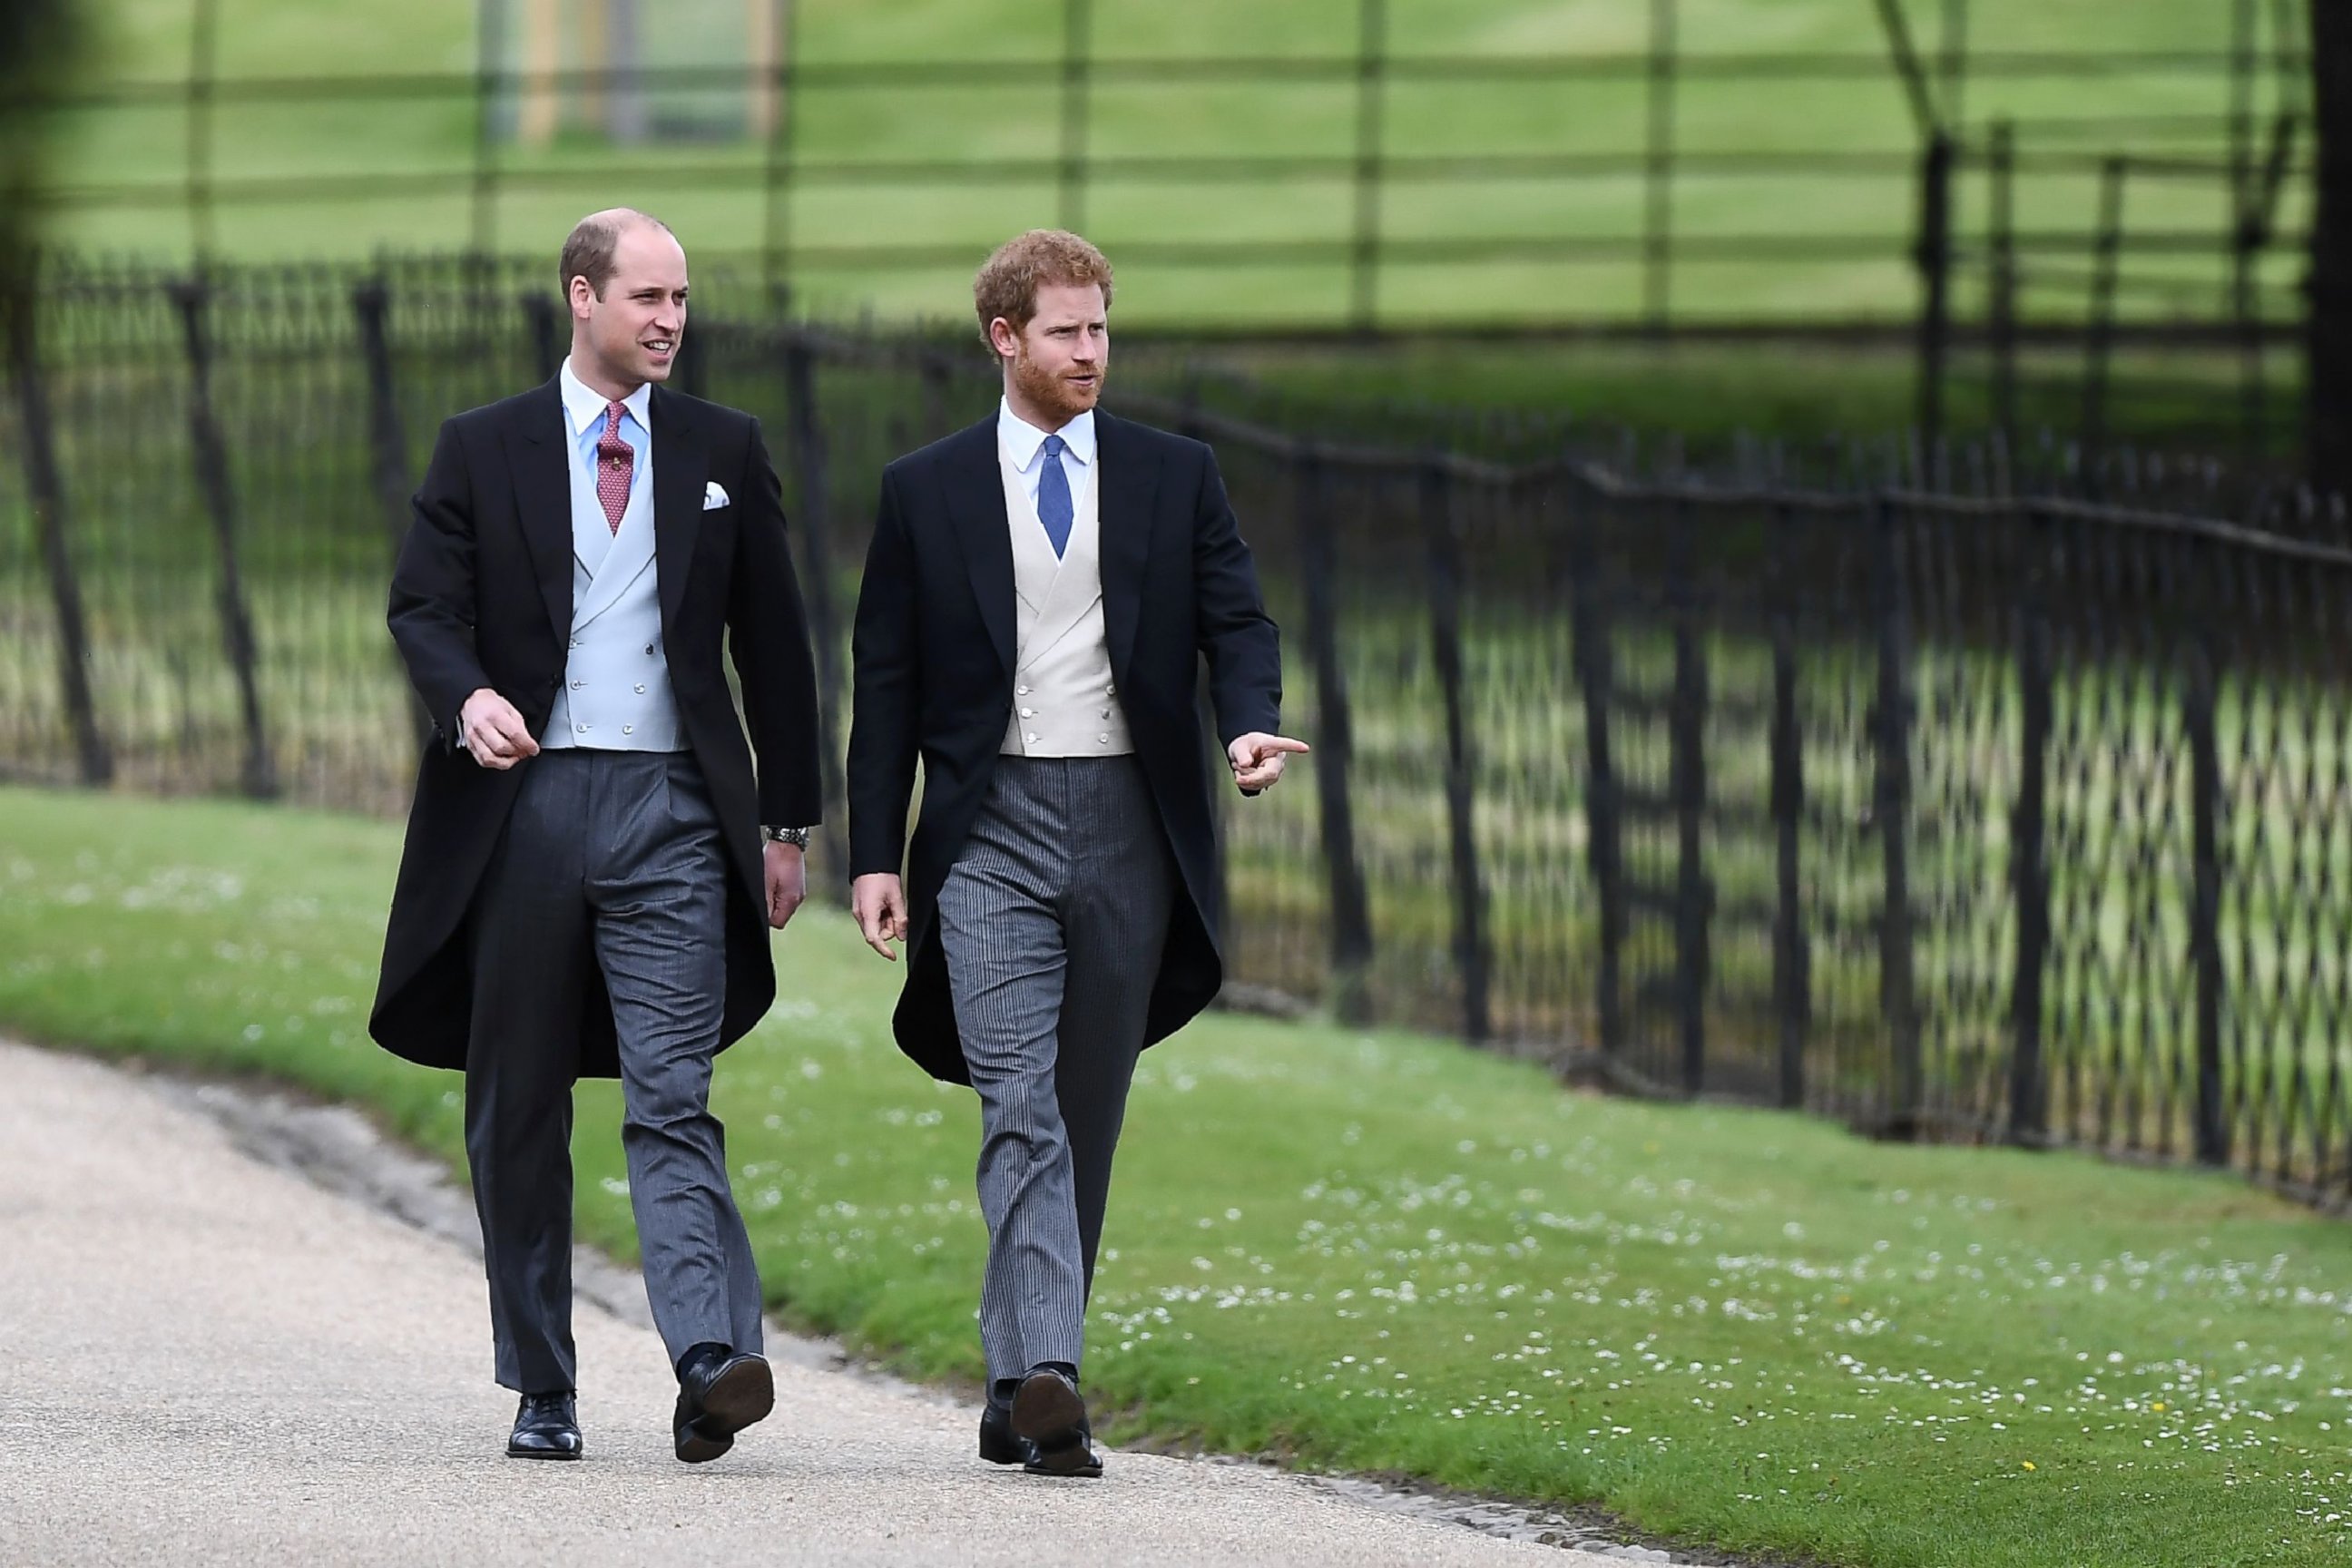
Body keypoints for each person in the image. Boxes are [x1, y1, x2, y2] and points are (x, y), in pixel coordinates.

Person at [846, 229, 1306, 1478]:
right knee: (1022, 1104)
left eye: (1101, 327)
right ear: (1005, 338)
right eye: (1065, 330)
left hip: (1129, 828)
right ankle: (1056, 1375)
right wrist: (873, 852)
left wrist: (1248, 724)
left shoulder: (1174, 474)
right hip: (987, 831)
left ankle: (1012, 1388)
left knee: (1084, 1114)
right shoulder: (926, 488)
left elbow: (1236, 616)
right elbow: (883, 679)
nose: (1090, 350)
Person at [369, 209, 822, 1465]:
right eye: (649, 299)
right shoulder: (483, 447)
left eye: (683, 300)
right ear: (583, 298)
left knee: (673, 1095)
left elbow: (775, 647)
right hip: (522, 813)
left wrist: (787, 822)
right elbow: (423, 605)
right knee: (517, 1103)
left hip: (677, 810)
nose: (672, 321)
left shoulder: (724, 447)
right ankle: (543, 1384)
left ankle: (710, 1358)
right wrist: (466, 699)